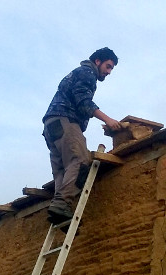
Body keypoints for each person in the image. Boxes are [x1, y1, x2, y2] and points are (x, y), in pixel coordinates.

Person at [42, 47, 122, 223]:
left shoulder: (77, 73)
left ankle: (59, 213)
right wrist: (108, 119)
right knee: (79, 160)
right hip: (65, 121)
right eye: (108, 67)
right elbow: (84, 102)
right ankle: (62, 204)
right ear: (98, 61)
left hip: (51, 126)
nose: (108, 72)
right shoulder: (87, 73)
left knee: (62, 170)